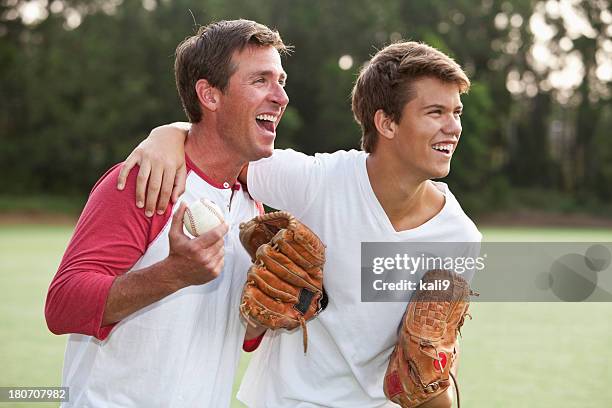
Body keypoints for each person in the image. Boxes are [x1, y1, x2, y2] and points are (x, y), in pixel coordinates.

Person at [121, 41, 481, 408]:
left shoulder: (460, 237)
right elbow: (221, 144)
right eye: (435, 112)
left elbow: (430, 368)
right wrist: (168, 133)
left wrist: (438, 385)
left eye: (457, 112)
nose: (453, 127)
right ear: (386, 122)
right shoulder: (318, 180)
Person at [44, 19, 289, 407]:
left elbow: (237, 333)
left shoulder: (251, 204)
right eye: (261, 80)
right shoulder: (146, 181)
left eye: (281, 81)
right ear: (209, 95)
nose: (281, 97)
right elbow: (62, 306)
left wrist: (270, 309)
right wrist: (171, 275)